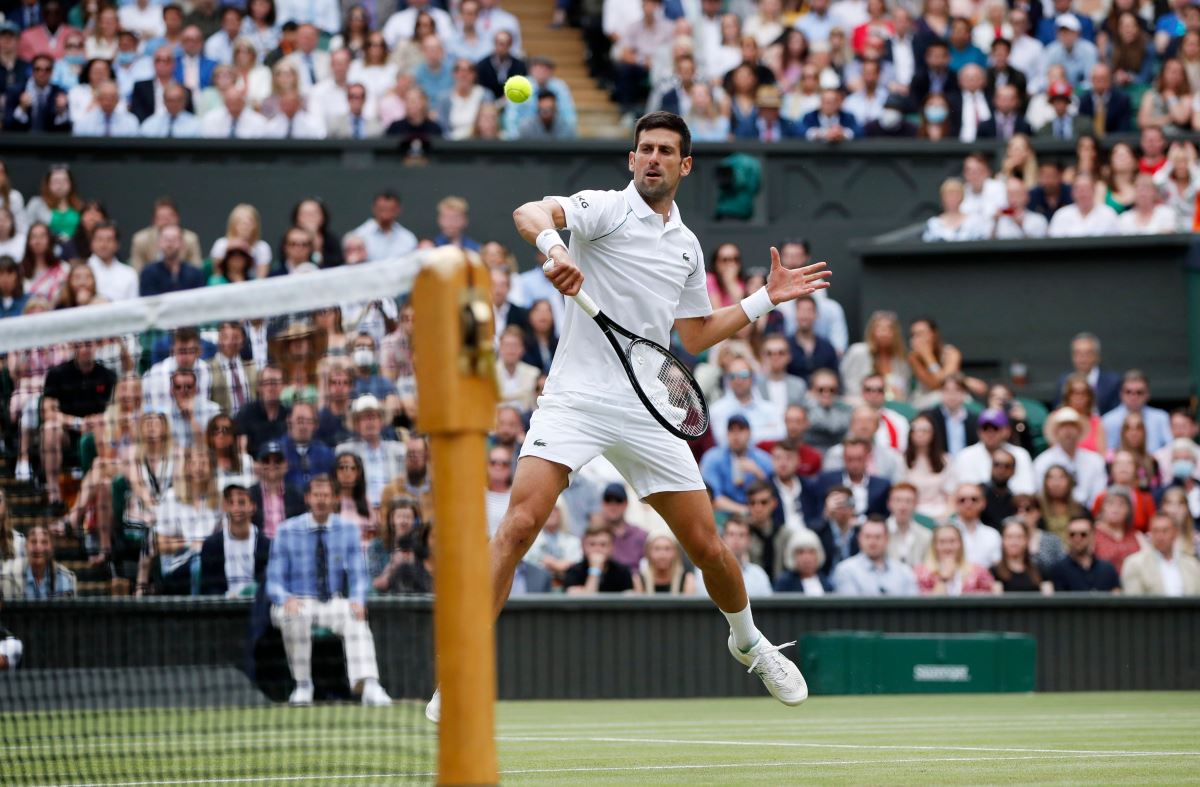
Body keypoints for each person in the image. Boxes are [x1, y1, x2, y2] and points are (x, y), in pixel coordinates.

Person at [429, 112, 830, 723]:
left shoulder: (689, 247)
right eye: (644, 149)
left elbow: (693, 336)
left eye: (666, 151)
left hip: (650, 405)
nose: (653, 159)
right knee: (518, 525)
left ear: (684, 166)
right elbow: (529, 212)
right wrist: (554, 248)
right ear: (632, 158)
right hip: (576, 399)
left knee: (710, 548)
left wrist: (762, 299)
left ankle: (748, 641)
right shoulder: (604, 209)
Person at [266, 475, 392, 706]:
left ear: (335, 499)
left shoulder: (348, 530)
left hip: (331, 601)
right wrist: (286, 598)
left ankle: (369, 685)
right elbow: (273, 580)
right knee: (295, 615)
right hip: (297, 601)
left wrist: (357, 599)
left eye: (326, 495)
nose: (321, 500)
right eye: (316, 495)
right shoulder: (286, 530)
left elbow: (359, 575)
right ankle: (303, 685)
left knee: (355, 617)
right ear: (307, 498)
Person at [199, 482, 270, 596]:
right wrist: (226, 597)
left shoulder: (267, 545)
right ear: (224, 507)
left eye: (241, 502)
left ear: (252, 506)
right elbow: (207, 587)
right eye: (231, 502)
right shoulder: (211, 546)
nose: (236, 508)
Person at [953, 408, 1035, 495]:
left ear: (1007, 431)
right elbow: (964, 491)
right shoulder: (965, 456)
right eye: (985, 428)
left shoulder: (1020, 455)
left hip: (1012, 505)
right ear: (978, 431)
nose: (990, 433)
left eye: (995, 428)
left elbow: (1026, 491)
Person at [831, 517, 917, 595]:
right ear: (859, 539)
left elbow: (913, 607)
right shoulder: (846, 570)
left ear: (887, 539)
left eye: (878, 537)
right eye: (867, 537)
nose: (872, 542)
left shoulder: (904, 571)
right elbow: (851, 608)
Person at [1121, 512, 1200, 595]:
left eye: (1165, 531)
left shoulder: (1192, 564)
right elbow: (1134, 602)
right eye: (1155, 531)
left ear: (1175, 533)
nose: (1160, 536)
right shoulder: (1135, 564)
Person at [840, 310, 910, 402]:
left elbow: (904, 392)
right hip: (860, 406)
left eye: (889, 329)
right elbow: (848, 385)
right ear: (872, 331)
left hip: (892, 408)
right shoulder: (858, 352)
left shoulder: (901, 360)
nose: (884, 333)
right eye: (880, 328)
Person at [1101, 371, 1171, 454]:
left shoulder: (1161, 417)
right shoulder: (1108, 420)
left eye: (1139, 392)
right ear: (1121, 394)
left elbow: (1170, 446)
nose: (1134, 397)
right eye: (1128, 392)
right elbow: (1107, 451)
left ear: (1147, 394)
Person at [1047, 513, 1120, 592]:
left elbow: (1117, 597)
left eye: (1083, 534)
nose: (1077, 538)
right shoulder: (1058, 570)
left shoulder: (1107, 569)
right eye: (1072, 534)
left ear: (1092, 535)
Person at [915, 524, 995, 595]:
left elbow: (991, 596)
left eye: (952, 541)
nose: (948, 547)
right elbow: (930, 605)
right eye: (942, 542)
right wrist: (944, 579)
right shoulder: (921, 573)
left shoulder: (978, 571)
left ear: (960, 544)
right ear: (934, 545)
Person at [0, 525, 75, 598]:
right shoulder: (9, 576)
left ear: (52, 547)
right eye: (33, 541)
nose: (38, 547)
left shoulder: (65, 578)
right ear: (25, 546)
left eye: (44, 542)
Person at [1056, 332, 1121, 414]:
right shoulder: (1064, 381)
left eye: (1087, 353)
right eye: (1078, 353)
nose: (1082, 358)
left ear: (1097, 356)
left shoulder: (1112, 382)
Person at [562, 524, 639, 594]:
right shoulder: (573, 571)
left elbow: (628, 604)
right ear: (584, 547)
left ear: (611, 548)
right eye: (592, 544)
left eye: (603, 545)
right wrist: (594, 570)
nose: (597, 549)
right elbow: (584, 603)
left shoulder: (623, 572)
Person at [523, 500, 581, 585]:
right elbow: (528, 564)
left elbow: (577, 565)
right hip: (538, 587)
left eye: (555, 509)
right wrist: (561, 566)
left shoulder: (573, 541)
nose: (551, 513)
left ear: (562, 513)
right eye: (547, 508)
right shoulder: (529, 540)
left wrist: (553, 564)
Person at [1092, 485, 1146, 573]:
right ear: (1102, 508)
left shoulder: (1137, 535)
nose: (1115, 509)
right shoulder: (1092, 534)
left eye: (1121, 504)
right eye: (1110, 503)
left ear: (1129, 510)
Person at [1048, 173, 1120, 237]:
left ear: (1094, 190)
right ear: (1072, 192)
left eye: (1086, 188)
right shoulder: (1061, 215)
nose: (1082, 193)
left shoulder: (1108, 214)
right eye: (1078, 189)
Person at [991, 518, 1051, 593]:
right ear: (1003, 540)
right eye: (1009, 537)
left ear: (1027, 540)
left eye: (1019, 537)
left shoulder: (1040, 570)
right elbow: (996, 601)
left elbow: (1048, 599)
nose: (1014, 542)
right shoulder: (994, 572)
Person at [773, 528, 832, 593]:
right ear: (792, 556)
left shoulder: (826, 582)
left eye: (811, 552)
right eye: (801, 552)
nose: (806, 557)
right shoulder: (784, 583)